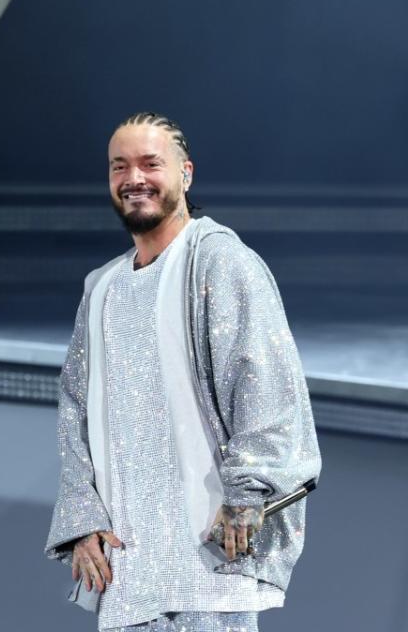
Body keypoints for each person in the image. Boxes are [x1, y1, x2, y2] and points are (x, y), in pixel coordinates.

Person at [45, 112, 321, 632]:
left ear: (185, 173)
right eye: (119, 167)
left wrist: (247, 496)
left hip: (209, 565)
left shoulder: (222, 262)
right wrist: (83, 520)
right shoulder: (101, 287)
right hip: (127, 573)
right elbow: (74, 410)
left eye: (151, 163)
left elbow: (265, 384)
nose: (134, 179)